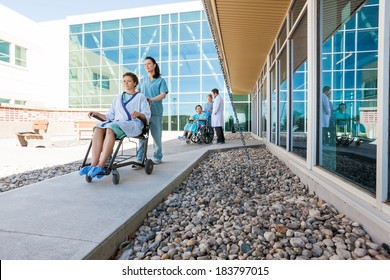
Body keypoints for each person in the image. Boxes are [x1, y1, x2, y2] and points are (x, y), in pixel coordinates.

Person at [79, 72, 151, 179]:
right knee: (98, 128)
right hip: (117, 123)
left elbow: (146, 115)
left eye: (129, 81)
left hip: (132, 124)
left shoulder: (140, 97)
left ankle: (101, 165)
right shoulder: (117, 98)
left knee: (109, 128)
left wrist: (139, 114)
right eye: (124, 81)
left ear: (135, 83)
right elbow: (111, 115)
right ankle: (94, 164)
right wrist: (98, 114)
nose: (126, 83)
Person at [135, 56, 168, 165]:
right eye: (145, 64)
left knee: (156, 135)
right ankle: (139, 158)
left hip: (156, 112)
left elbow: (163, 95)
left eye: (149, 63)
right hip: (143, 113)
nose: (147, 66)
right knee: (142, 136)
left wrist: (150, 100)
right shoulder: (142, 81)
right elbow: (137, 95)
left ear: (154, 65)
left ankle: (157, 156)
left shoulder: (160, 81)